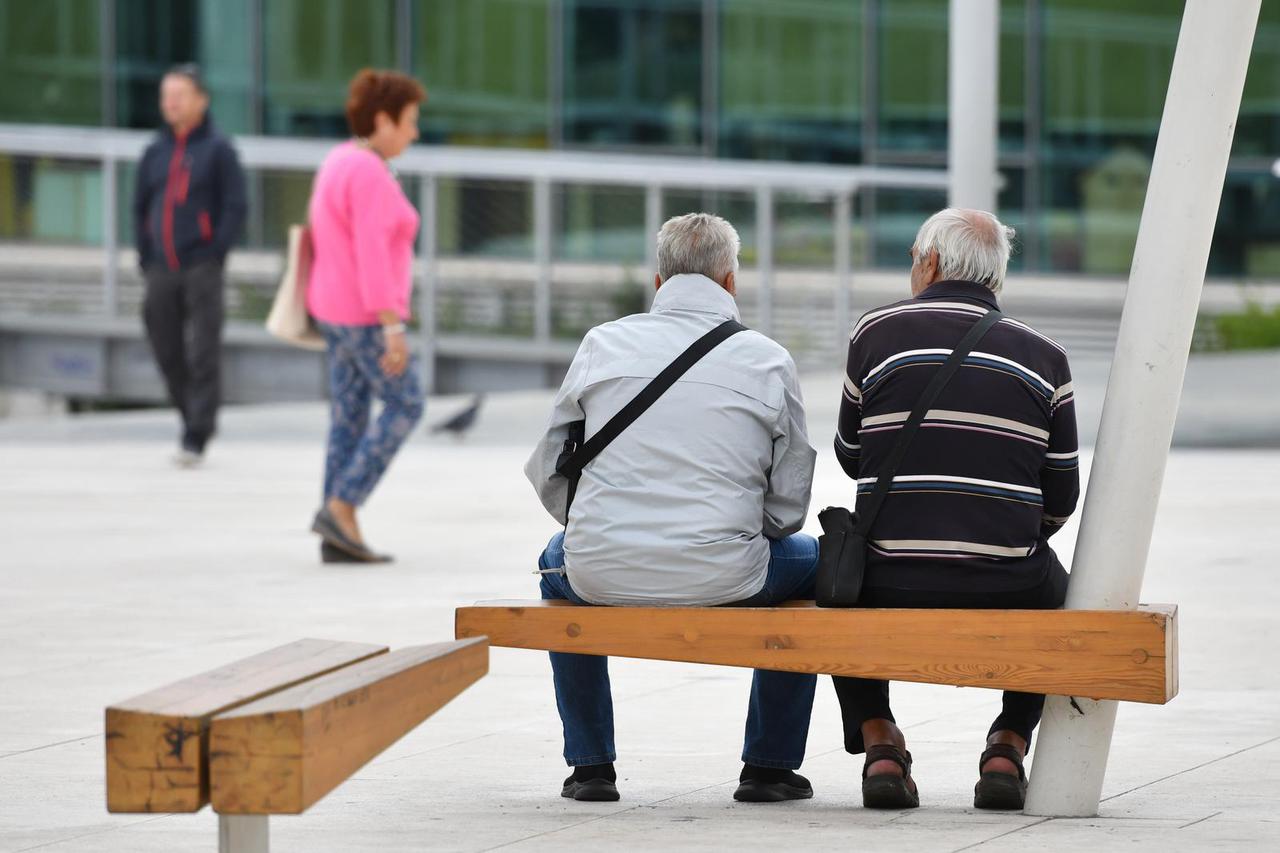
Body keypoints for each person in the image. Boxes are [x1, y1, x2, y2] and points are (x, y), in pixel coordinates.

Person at [525, 213, 819, 804]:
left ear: (659, 283)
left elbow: (548, 465)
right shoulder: (767, 358)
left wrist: (597, 527)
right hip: (730, 572)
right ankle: (768, 766)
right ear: (731, 282)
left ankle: (590, 768)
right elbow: (789, 504)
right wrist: (735, 534)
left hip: (598, 569)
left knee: (555, 569)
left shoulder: (601, 343)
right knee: (816, 566)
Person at [832, 208, 1079, 811]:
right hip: (1009, 580)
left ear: (932, 262)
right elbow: (1063, 495)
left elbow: (850, 456)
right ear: (995, 277)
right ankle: (1008, 743)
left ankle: (880, 742)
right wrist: (1000, 530)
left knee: (838, 578)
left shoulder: (874, 334)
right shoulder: (1045, 357)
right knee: (1062, 594)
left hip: (889, 575)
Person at [306, 69, 427, 564]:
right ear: (384, 120)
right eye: (410, 121)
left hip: (332, 310)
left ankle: (337, 529)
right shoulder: (371, 174)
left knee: (349, 415)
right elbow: (373, 254)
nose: (414, 132)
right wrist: (392, 324)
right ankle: (342, 505)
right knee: (406, 403)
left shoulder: (339, 159)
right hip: (365, 316)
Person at [134, 63, 246, 467]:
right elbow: (140, 207)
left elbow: (235, 206)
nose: (171, 104)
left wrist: (216, 250)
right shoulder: (155, 152)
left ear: (201, 100)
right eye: (166, 96)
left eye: (179, 96)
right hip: (161, 265)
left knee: (203, 351)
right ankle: (191, 416)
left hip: (202, 265)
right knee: (165, 345)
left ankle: (197, 433)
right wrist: (145, 256)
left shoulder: (218, 151)